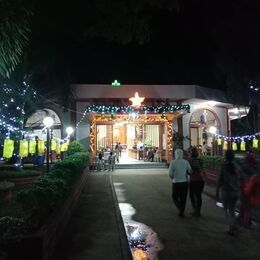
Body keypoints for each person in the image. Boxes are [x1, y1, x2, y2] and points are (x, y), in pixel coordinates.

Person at [216, 150, 241, 236]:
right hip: (236, 192)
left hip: (227, 191)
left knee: (225, 210)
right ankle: (233, 226)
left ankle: (233, 225)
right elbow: (241, 179)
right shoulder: (237, 166)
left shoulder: (224, 166)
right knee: (232, 210)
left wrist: (217, 190)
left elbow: (220, 179)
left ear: (226, 156)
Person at [169, 149, 192, 217]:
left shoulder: (173, 162)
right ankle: (182, 211)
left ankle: (180, 208)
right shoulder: (186, 162)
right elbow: (190, 171)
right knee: (183, 197)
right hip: (184, 182)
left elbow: (170, 174)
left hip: (176, 182)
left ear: (175, 154)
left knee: (174, 197)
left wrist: (173, 178)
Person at [188, 147, 206, 217]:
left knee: (192, 196)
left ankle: (195, 210)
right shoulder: (200, 160)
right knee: (198, 196)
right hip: (200, 180)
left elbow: (189, 171)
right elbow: (203, 169)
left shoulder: (189, 161)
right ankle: (198, 211)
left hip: (193, 181)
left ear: (191, 153)